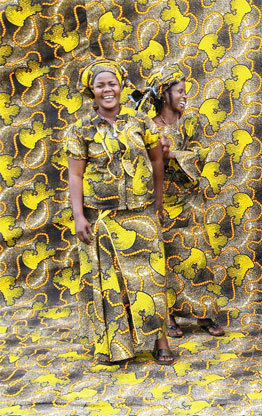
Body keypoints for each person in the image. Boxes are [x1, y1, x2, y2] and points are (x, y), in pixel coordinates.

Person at [66, 59, 173, 365]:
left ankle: (159, 340)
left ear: (121, 85)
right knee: (110, 283)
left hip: (140, 211)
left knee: (149, 279)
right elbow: (76, 175)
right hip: (102, 216)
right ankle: (118, 346)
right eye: (100, 85)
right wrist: (78, 215)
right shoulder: (80, 129)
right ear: (92, 90)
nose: (107, 90)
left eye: (111, 83)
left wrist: (158, 201)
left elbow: (156, 163)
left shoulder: (141, 122)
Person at [140, 63, 225, 338]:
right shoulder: (148, 127)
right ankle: (171, 316)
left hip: (189, 198)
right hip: (162, 198)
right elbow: (142, 163)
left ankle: (205, 315)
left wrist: (173, 156)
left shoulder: (190, 122)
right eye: (179, 92)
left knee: (198, 255)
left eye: (185, 91)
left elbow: (202, 153)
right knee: (168, 257)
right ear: (164, 95)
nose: (184, 97)